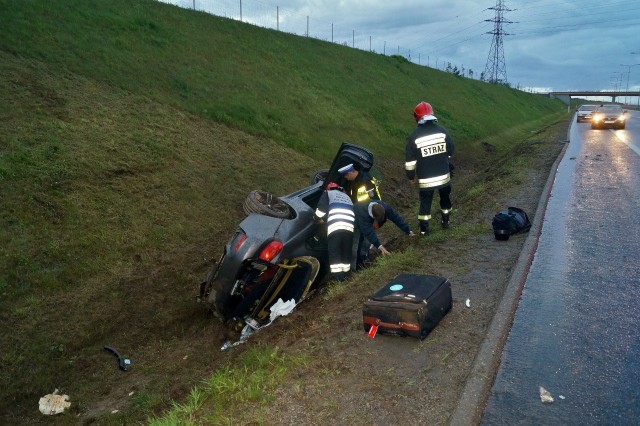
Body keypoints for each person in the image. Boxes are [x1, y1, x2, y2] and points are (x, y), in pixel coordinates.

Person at [405, 101, 455, 236]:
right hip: (444, 176)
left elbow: (410, 161)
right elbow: (451, 150)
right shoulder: (442, 131)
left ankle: (424, 230)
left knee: (425, 204)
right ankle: (446, 221)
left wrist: (411, 177)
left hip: (426, 179)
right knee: (445, 198)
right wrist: (444, 159)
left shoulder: (414, 136)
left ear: (417, 117)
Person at [313, 182, 355, 281]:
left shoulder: (328, 193)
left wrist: (316, 218)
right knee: (346, 252)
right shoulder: (346, 196)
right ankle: (346, 277)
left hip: (336, 226)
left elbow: (321, 211)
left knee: (335, 253)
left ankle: (338, 280)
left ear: (328, 189)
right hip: (349, 227)